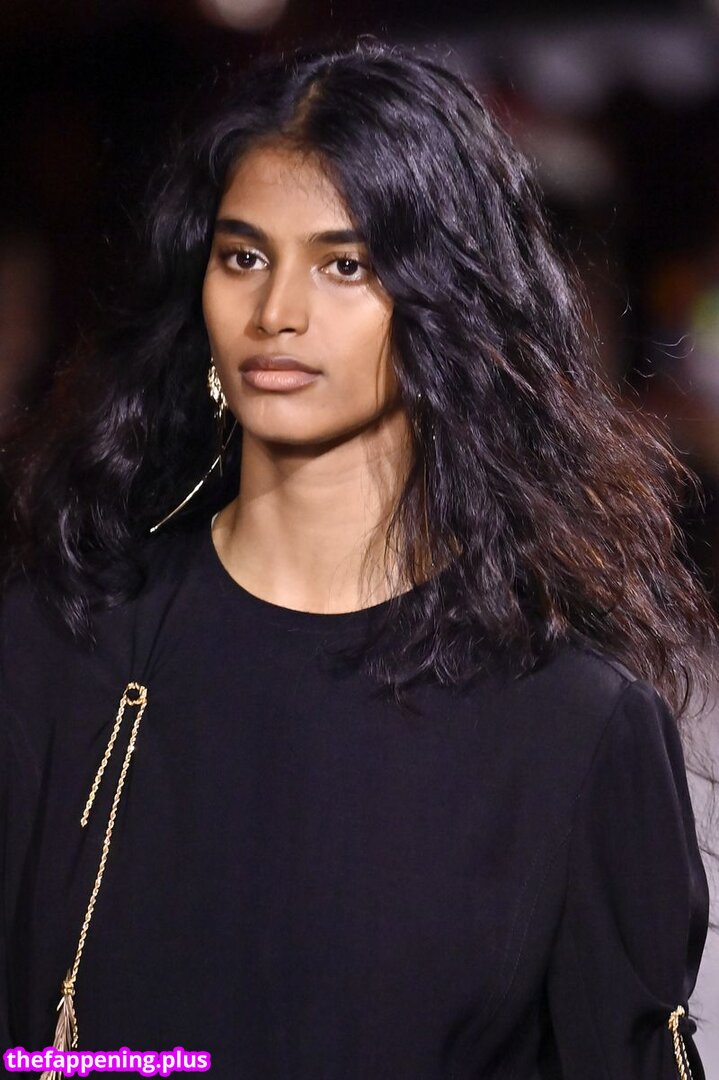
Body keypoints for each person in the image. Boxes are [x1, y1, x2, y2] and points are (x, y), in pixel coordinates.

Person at [0, 39, 717, 1080]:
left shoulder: (570, 728)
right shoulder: (54, 652)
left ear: (442, 305)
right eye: (244, 257)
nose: (276, 314)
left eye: (344, 265)